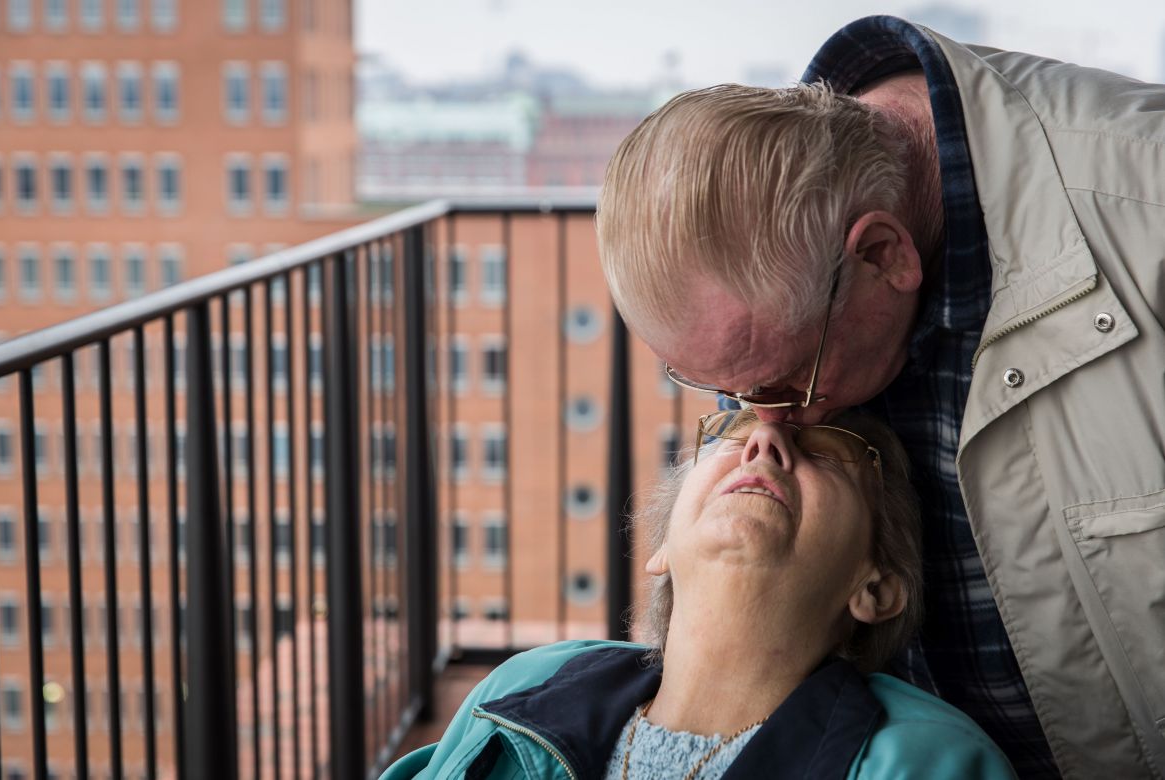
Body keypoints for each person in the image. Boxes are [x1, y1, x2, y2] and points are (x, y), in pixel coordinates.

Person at [595, 14, 1165, 779]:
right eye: (720, 393)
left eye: (779, 381)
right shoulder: (783, 256)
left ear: (882, 254)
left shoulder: (1144, 203)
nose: (765, 425)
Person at [383, 410, 1015, 779]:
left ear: (874, 588)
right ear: (661, 551)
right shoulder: (522, 688)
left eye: (827, 449)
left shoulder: (927, 764)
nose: (765, 442)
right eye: (734, 433)